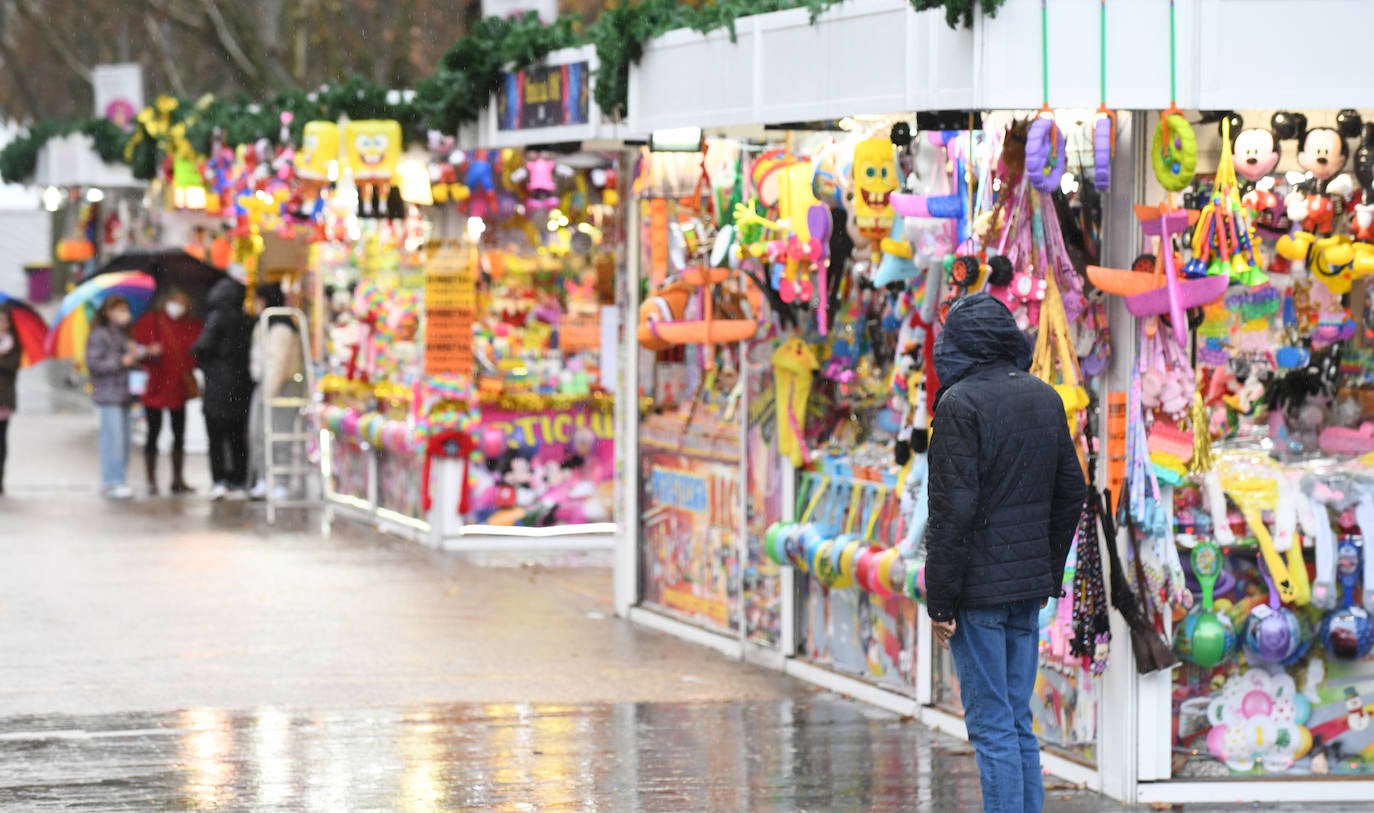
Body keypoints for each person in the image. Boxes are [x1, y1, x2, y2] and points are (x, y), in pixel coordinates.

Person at [923, 293, 1086, 813]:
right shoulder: (1044, 396)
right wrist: (1045, 570)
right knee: (1016, 723)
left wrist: (940, 601)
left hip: (977, 594)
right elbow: (1072, 491)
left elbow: (952, 512)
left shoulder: (959, 404)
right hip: (1024, 592)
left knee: (992, 727)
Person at [131, 288, 203, 495]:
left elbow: (196, 352)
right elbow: (135, 348)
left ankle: (177, 478)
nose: (178, 307)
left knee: (179, 434)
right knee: (153, 433)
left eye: (183, 303)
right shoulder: (151, 321)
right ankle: (151, 480)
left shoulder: (192, 325)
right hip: (155, 385)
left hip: (178, 387)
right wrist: (148, 350)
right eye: (176, 301)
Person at [193, 278, 254, 501]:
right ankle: (239, 480)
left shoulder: (216, 318)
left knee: (216, 438)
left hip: (217, 388)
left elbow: (201, 348)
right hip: (242, 387)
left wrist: (207, 365)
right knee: (238, 437)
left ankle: (219, 481)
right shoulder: (248, 320)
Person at [248, 283, 304, 500]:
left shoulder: (280, 327)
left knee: (279, 435)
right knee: (259, 435)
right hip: (266, 386)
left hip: (281, 388)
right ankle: (265, 479)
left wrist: (268, 392)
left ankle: (280, 482)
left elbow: (277, 362)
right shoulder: (266, 323)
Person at [86, 295, 145, 500]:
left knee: (125, 441)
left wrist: (135, 355)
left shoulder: (125, 335)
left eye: (125, 310)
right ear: (108, 312)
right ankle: (111, 482)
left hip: (125, 394)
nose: (124, 314)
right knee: (113, 440)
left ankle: (120, 480)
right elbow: (94, 364)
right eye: (119, 310)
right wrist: (121, 361)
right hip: (109, 394)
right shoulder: (99, 335)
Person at [0, 306, 21, 495]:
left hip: (4, 399)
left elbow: (11, 367)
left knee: (1, 439)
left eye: (4, 320)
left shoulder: (13, 344)